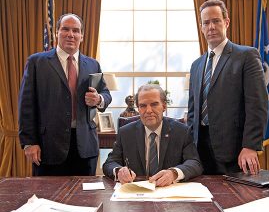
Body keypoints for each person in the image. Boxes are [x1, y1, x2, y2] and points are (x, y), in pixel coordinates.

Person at [18, 13, 112, 176]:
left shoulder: (92, 64)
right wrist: (29, 142)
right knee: (48, 199)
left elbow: (106, 94)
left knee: (85, 199)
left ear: (82, 36)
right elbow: (26, 105)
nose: (71, 34)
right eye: (65, 29)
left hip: (85, 146)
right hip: (48, 147)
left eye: (76, 31)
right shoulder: (37, 62)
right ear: (57, 33)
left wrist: (99, 99)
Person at [187, 0, 268, 175]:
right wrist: (189, 149)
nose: (211, 27)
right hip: (200, 153)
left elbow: (258, 105)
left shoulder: (246, 56)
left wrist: (250, 146)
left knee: (236, 200)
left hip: (235, 152)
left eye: (216, 21)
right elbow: (193, 112)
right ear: (201, 28)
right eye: (206, 23)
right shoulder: (196, 65)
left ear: (226, 22)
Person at [103, 84, 203, 187]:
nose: (149, 111)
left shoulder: (181, 131)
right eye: (143, 106)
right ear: (138, 108)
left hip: (169, 192)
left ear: (164, 106)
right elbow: (110, 163)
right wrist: (119, 171)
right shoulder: (125, 133)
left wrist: (174, 173)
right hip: (136, 193)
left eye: (154, 104)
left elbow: (195, 163)